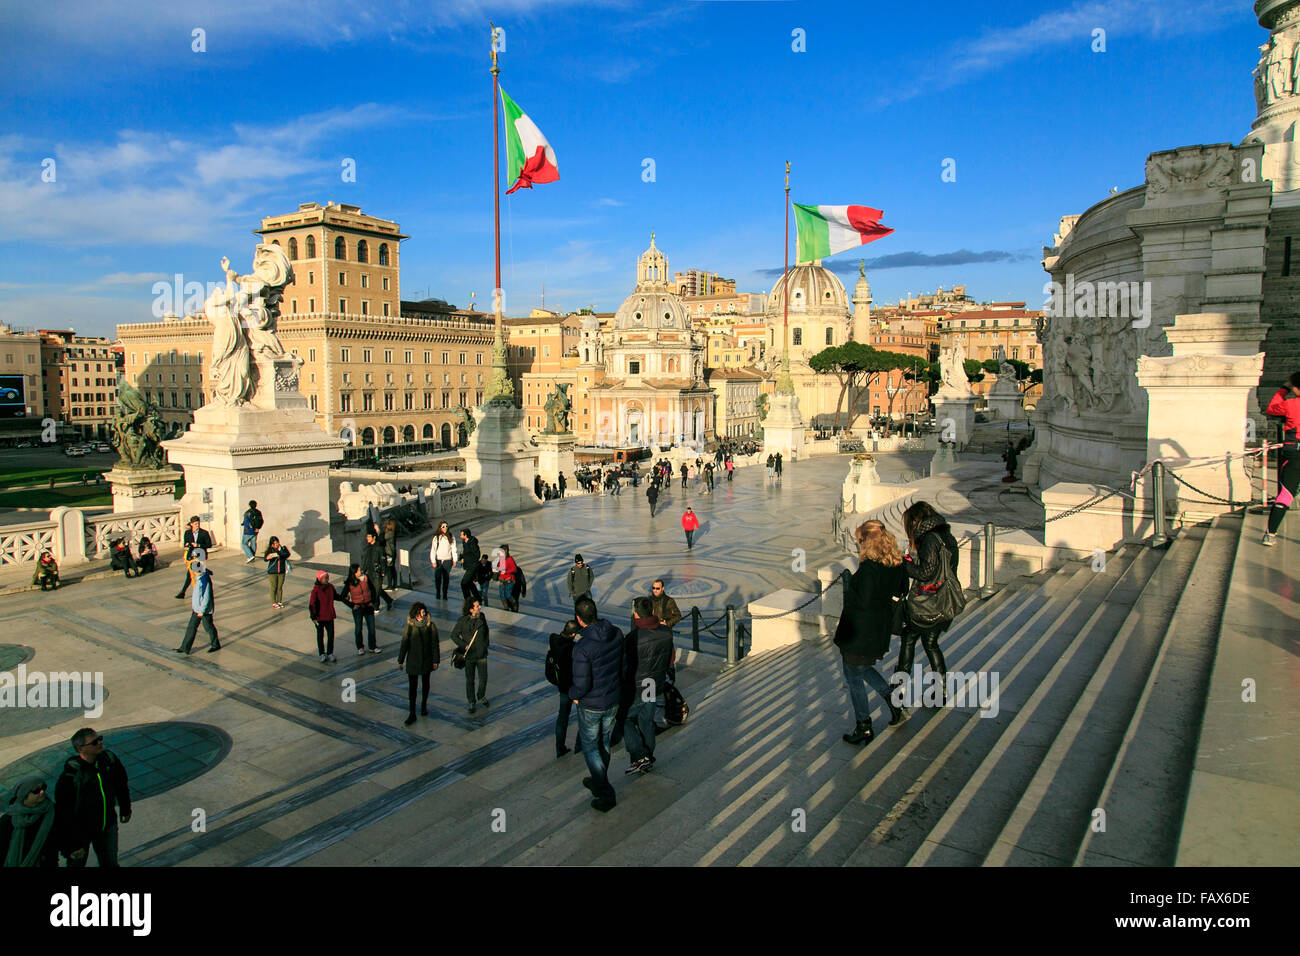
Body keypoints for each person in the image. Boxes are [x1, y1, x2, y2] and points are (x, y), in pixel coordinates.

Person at [836, 520, 909, 745]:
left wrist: (849, 587)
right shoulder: (896, 562)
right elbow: (901, 589)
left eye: (860, 541)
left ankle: (864, 726)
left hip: (860, 631)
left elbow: (863, 602)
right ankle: (894, 703)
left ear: (867, 542)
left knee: (853, 677)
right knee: (864, 669)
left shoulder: (869, 568)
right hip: (879, 628)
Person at [898, 501, 960, 701]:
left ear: (916, 521)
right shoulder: (946, 535)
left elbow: (925, 573)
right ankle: (940, 691)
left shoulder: (930, 539)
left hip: (929, 603)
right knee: (930, 643)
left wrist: (905, 564)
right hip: (944, 600)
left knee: (908, 638)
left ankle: (899, 690)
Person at [569, 597, 626, 812]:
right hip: (612, 698)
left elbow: (582, 684)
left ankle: (605, 791)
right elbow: (622, 665)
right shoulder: (616, 633)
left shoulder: (583, 647)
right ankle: (597, 778)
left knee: (591, 747)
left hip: (592, 704)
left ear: (579, 620)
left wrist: (573, 694)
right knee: (604, 742)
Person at [54, 728, 131, 868]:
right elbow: (64, 813)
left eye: (100, 738)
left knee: (110, 863)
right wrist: (71, 845)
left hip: (107, 824)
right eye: (94, 742)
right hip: (81, 832)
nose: (100, 743)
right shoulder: (70, 777)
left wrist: (125, 808)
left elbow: (121, 784)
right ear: (80, 749)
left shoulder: (108, 760)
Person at [624, 597, 674, 775]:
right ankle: (648, 758)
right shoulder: (666, 633)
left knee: (624, 719)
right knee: (646, 721)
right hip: (653, 683)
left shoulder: (632, 638)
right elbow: (670, 659)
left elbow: (625, 666)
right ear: (653, 612)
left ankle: (640, 755)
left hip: (637, 686)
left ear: (636, 614)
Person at [1264, 372, 1300, 546]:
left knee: (1285, 495)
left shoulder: (1291, 404)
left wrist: (1284, 389)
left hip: (1294, 453)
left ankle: (1270, 534)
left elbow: (1272, 408)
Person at [1, 777, 58, 867]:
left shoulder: (51, 810)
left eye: (43, 788)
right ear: (24, 794)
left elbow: (64, 832)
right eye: (36, 790)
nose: (42, 792)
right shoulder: (8, 819)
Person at [397, 602, 439, 726]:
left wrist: (436, 660)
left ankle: (424, 706)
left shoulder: (430, 626)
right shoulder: (409, 626)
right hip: (413, 661)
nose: (422, 614)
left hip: (426, 660)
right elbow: (404, 643)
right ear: (415, 613)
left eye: (423, 612)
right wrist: (400, 660)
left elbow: (435, 644)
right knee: (412, 688)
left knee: (426, 684)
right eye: (420, 612)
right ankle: (412, 713)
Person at [649, 579, 683, 729]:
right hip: (653, 636)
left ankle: (668, 688)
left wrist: (666, 622)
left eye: (657, 588)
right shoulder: (649, 601)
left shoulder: (669, 601)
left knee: (668, 661)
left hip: (665, 636)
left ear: (662, 588)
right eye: (653, 588)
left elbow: (677, 615)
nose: (654, 591)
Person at [450, 597, 490, 713]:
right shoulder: (462, 621)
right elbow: (454, 635)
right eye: (477, 606)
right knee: (470, 680)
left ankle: (481, 695)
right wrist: (464, 645)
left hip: (481, 654)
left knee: (483, 679)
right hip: (469, 656)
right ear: (471, 609)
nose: (479, 607)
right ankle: (471, 701)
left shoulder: (482, 617)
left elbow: (486, 632)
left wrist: (485, 644)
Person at [550, 619, 582, 757]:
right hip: (574, 687)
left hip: (562, 686)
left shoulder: (554, 640)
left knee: (562, 717)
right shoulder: (572, 648)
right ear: (573, 634)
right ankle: (579, 746)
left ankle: (559, 747)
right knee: (582, 717)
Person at [176, 560, 220, 654]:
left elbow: (206, 597)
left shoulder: (204, 580)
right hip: (196, 609)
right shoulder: (199, 578)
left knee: (208, 627)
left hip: (204, 610)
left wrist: (202, 610)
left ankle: (215, 644)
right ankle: (184, 647)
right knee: (191, 627)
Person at [345, 563, 380, 655]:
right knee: (358, 628)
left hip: (368, 606)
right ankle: (360, 647)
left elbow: (373, 590)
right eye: (359, 570)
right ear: (355, 573)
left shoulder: (366, 578)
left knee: (371, 627)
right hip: (358, 607)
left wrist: (373, 601)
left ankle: (373, 646)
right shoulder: (350, 582)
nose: (361, 571)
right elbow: (342, 596)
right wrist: (351, 605)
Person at [174, 515, 212, 600]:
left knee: (198, 575)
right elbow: (186, 543)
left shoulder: (204, 533)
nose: (197, 525)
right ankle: (185, 592)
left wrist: (198, 545)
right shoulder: (187, 533)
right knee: (190, 575)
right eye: (195, 524)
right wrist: (186, 547)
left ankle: (194, 592)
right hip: (191, 556)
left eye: (198, 523)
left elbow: (209, 544)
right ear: (191, 524)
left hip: (200, 556)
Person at [357, 528, 394, 612]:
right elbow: (366, 561)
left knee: (376, 591)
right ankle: (389, 600)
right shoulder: (368, 548)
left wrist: (383, 571)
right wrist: (362, 570)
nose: (367, 538)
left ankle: (376, 607)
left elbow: (383, 560)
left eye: (369, 537)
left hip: (377, 572)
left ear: (374, 537)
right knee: (376, 589)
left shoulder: (379, 547)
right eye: (367, 537)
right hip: (369, 572)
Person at [309, 570, 342, 662]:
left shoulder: (330, 587)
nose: (327, 579)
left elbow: (335, 596)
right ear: (320, 579)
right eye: (325, 578)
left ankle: (330, 653)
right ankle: (322, 653)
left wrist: (344, 598)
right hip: (319, 617)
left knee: (331, 635)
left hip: (329, 615)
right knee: (320, 635)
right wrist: (313, 617)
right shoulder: (315, 590)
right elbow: (312, 604)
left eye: (327, 578)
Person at [430, 521, 458, 601]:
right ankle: (438, 592)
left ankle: (445, 594)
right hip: (439, 560)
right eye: (443, 526)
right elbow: (433, 550)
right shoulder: (436, 538)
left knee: (446, 578)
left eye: (446, 526)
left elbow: (454, 549)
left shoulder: (451, 537)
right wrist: (433, 561)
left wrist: (454, 559)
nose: (445, 528)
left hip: (447, 561)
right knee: (438, 578)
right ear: (440, 528)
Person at [265, 536, 291, 609]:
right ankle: (274, 602)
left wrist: (280, 551)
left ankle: (279, 601)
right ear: (271, 544)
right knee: (273, 587)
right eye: (274, 543)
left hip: (281, 572)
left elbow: (287, 554)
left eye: (277, 542)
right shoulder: (270, 550)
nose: (276, 544)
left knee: (280, 587)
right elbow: (265, 558)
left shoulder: (283, 548)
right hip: (272, 572)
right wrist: (270, 556)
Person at [458, 528, 482, 602]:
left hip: (473, 566)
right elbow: (466, 553)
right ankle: (478, 599)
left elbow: (477, 556)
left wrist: (465, 559)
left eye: (461, 534)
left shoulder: (472, 543)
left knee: (464, 583)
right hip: (469, 566)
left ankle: (468, 600)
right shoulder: (465, 542)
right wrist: (461, 558)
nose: (460, 536)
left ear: (466, 535)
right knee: (470, 583)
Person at [496, 544, 518, 612]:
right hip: (502, 580)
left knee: (508, 595)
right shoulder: (501, 559)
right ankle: (506, 608)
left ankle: (514, 605)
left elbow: (514, 569)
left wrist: (506, 572)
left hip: (509, 580)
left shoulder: (510, 559)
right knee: (502, 595)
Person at [382, 517, 399, 590]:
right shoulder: (393, 532)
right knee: (392, 568)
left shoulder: (390, 533)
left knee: (389, 569)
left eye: (388, 524)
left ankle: (390, 585)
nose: (386, 525)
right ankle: (394, 585)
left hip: (389, 553)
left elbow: (383, 538)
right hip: (392, 552)